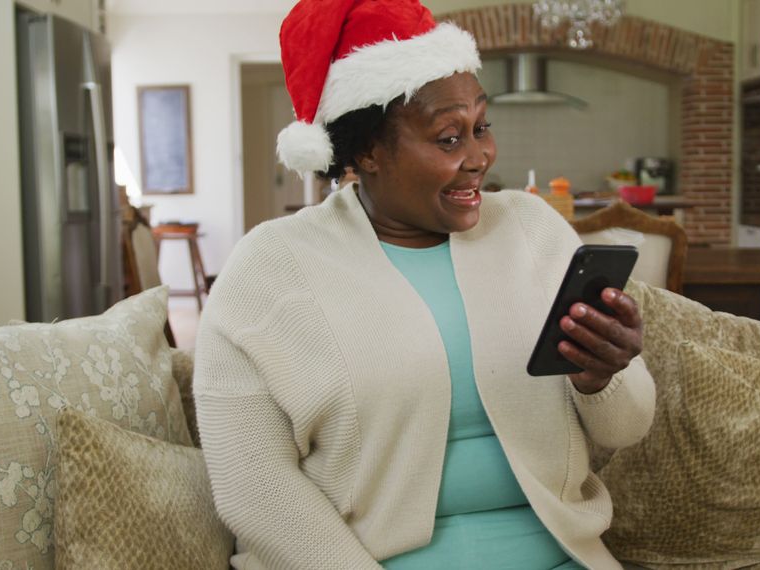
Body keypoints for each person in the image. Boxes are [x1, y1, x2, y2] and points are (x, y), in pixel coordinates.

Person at [193, 0, 656, 568]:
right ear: (366, 151)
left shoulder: (533, 231)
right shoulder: (269, 268)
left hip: (560, 556)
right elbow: (254, 489)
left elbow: (627, 428)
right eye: (447, 138)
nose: (479, 157)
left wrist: (602, 376)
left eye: (481, 127)